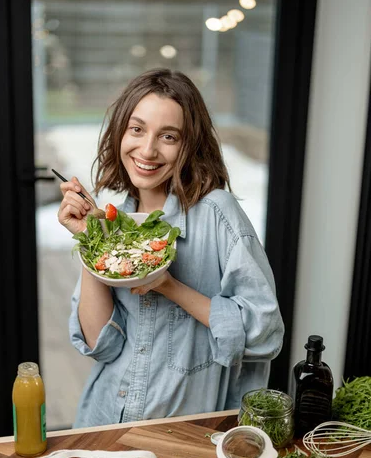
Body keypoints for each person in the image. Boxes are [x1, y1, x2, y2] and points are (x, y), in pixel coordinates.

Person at [58, 68, 284, 427]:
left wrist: (169, 286)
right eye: (137, 129)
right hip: (105, 420)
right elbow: (101, 344)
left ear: (189, 145)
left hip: (185, 432)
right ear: (120, 132)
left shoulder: (218, 214)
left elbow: (265, 333)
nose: (147, 150)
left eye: (168, 136)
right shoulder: (117, 215)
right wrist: (91, 239)